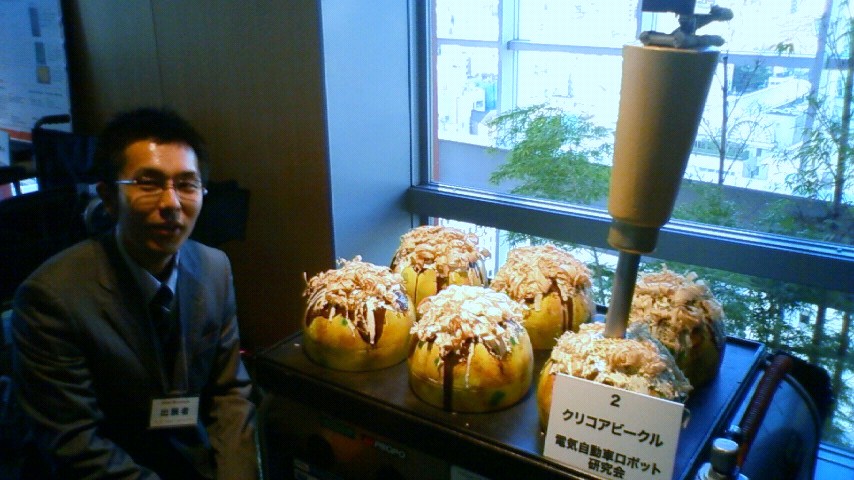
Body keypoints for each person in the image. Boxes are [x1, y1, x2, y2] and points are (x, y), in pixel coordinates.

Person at [11, 108, 258, 479]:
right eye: (148, 183)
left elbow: (230, 393)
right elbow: (76, 443)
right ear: (108, 197)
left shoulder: (214, 268)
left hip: (190, 460)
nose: (171, 203)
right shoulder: (50, 299)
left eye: (187, 184)